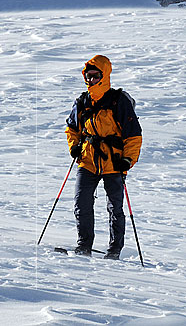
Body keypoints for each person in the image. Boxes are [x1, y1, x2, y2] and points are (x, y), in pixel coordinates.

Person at [65, 55, 142, 259]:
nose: (91, 80)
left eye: (95, 76)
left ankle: (114, 249)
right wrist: (74, 147)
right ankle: (84, 245)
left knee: (115, 207)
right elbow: (72, 129)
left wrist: (127, 160)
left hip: (114, 162)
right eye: (88, 76)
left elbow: (133, 135)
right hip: (88, 160)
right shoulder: (82, 101)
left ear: (104, 75)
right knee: (81, 203)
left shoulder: (119, 101)